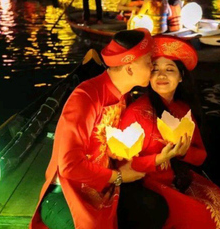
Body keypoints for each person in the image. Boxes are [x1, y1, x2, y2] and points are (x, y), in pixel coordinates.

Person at [30, 28, 170, 229]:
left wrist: (160, 156)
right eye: (149, 63)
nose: (153, 68)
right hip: (66, 193)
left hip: (104, 188)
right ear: (129, 68)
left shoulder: (124, 96)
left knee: (155, 208)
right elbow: (70, 166)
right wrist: (119, 177)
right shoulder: (86, 97)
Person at [118, 35, 220, 229]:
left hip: (179, 177)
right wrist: (159, 158)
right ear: (148, 77)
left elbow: (200, 157)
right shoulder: (136, 113)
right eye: (155, 70)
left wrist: (183, 152)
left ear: (180, 77)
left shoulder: (182, 110)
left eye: (169, 69)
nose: (162, 76)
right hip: (148, 183)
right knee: (202, 215)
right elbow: (124, 164)